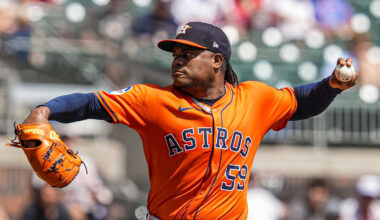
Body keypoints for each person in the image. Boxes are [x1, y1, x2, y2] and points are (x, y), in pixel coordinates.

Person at [21, 22, 357, 219]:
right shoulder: (152, 100)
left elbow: (300, 101)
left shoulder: (254, 98)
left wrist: (332, 86)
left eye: (186, 54)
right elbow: (90, 103)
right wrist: (45, 110)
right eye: (174, 55)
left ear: (216, 61)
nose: (176, 61)